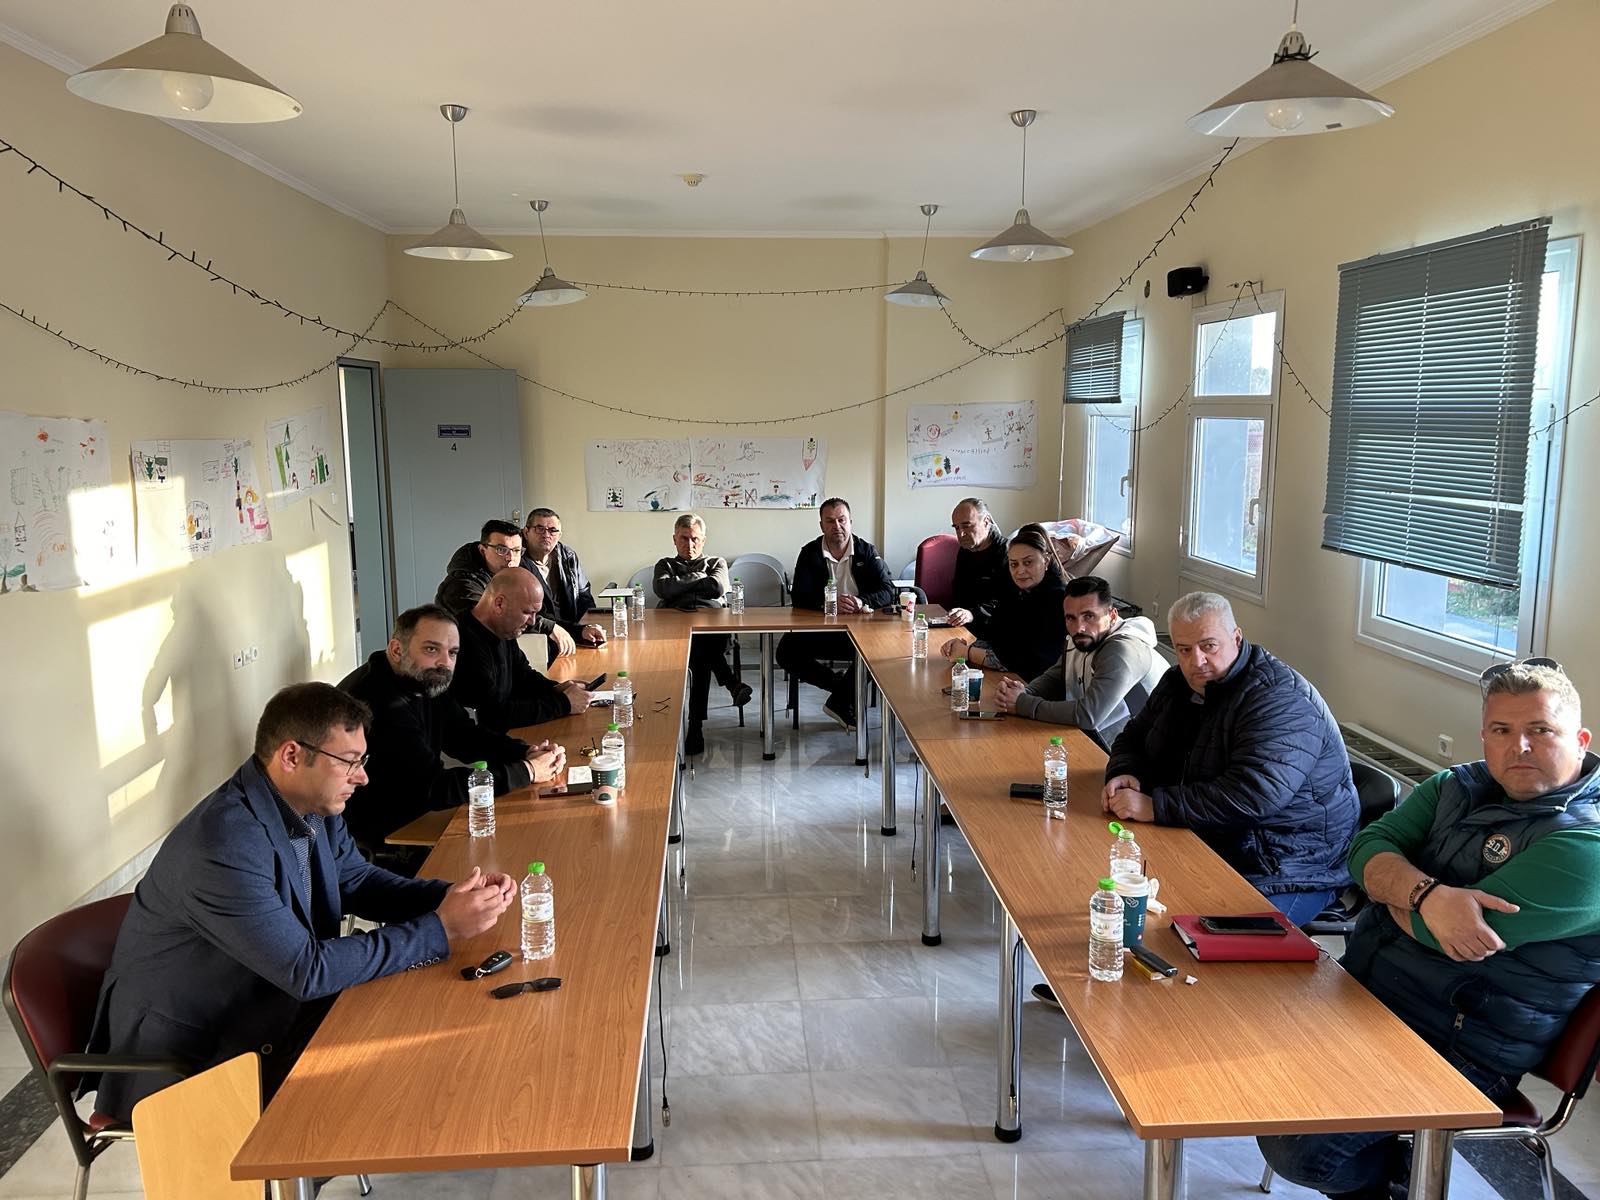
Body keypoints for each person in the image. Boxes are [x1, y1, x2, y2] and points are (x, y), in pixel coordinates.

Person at [82, 683, 516, 1123]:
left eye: (362, 761)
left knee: (427, 1030)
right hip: (196, 1058)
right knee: (399, 1089)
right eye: (349, 762)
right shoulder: (222, 844)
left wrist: (449, 897)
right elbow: (306, 970)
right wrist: (442, 927)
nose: (362, 777)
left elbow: (358, 880)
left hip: (269, 1001)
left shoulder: (310, 804)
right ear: (291, 756)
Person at [1260, 660, 1600, 1200]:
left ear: (1580, 740)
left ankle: (1397, 1179)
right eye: (1502, 730)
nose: (1520, 747)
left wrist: (1396, 890)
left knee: (1301, 1147)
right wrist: (1429, 897)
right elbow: (1363, 851)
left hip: (1464, 1043)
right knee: (1239, 1048)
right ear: (1484, 738)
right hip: (1372, 993)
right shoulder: (1454, 786)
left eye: (1541, 730)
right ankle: (1402, 1162)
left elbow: (1457, 936)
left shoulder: (1589, 847)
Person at [1101, 591, 1358, 924]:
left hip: (1288, 863)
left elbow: (1254, 794)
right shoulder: (1178, 682)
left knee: (1198, 936)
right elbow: (1133, 736)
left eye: (1209, 646)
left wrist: (1157, 806)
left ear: (1236, 638)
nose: (1196, 661)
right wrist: (1125, 770)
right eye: (1184, 649)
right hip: (1212, 837)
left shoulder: (1280, 699)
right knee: (1115, 891)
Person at [339, 604, 565, 860]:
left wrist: (525, 752)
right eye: (431, 649)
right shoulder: (380, 702)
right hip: (381, 841)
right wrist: (527, 771)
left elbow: (464, 736)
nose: (445, 662)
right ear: (396, 649)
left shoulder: (423, 678)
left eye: (453, 652)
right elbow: (433, 787)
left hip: (413, 812)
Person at [994, 574, 1167, 750]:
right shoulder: (1083, 638)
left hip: (1149, 752)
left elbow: (1088, 715)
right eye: (1071, 618)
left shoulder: (1123, 650)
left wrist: (1022, 703)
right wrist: (1020, 693)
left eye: (1089, 616)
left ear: (1112, 616)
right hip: (1110, 743)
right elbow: (1055, 678)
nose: (1079, 627)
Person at [778, 497, 896, 730]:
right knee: (785, 652)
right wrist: (828, 603)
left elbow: (887, 591)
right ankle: (841, 690)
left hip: (861, 631)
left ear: (850, 522)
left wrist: (861, 601)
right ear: (821, 525)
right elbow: (799, 596)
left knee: (879, 651)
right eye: (830, 521)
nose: (837, 526)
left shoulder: (866, 551)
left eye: (842, 520)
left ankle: (840, 700)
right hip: (821, 629)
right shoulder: (809, 553)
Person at [653, 513, 751, 756]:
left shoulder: (717, 562)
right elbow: (663, 589)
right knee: (702, 653)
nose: (690, 544)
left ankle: (695, 727)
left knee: (701, 650)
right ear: (674, 539)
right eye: (684, 538)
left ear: (703, 540)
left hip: (712, 629)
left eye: (695, 538)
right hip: (674, 631)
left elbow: (717, 587)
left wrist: (680, 585)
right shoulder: (665, 564)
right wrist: (698, 577)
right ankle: (730, 685)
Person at [449, 568, 593, 733]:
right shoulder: (463, 643)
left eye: (535, 614)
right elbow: (494, 714)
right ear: (499, 604)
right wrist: (564, 704)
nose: (532, 622)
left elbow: (523, 676)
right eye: (527, 612)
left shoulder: (502, 630)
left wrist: (556, 689)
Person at [940, 523, 1068, 683]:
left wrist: (967, 652)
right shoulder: (1016, 591)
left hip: (1034, 686)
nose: (1020, 571)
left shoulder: (1058, 600)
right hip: (1007, 678)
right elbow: (996, 637)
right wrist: (964, 646)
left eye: (1028, 562)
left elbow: (1026, 660)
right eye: (1014, 564)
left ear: (1046, 561)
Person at [521, 507, 607, 657]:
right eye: (540, 529)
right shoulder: (517, 562)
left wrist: (589, 625)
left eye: (553, 530)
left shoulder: (568, 556)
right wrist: (577, 631)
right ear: (526, 532)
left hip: (574, 635)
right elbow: (530, 614)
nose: (546, 534)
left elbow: (584, 595)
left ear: (559, 535)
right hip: (541, 638)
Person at [435, 518, 524, 617]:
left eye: (516, 550)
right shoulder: (462, 585)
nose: (510, 558)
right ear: (482, 550)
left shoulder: (510, 574)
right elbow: (487, 620)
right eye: (501, 550)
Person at [945, 497, 1009, 631]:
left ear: (986, 522)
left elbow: (1007, 601)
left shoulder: (1008, 553)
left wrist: (972, 614)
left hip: (995, 628)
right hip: (962, 626)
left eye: (966, 526)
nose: (961, 534)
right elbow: (958, 592)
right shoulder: (965, 551)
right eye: (957, 528)